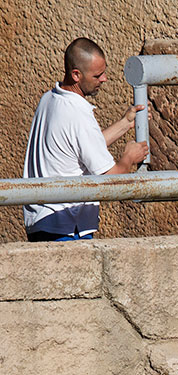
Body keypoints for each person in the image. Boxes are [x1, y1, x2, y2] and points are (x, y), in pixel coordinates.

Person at [22, 37, 148, 242]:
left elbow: (81, 147)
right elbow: (111, 180)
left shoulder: (50, 99)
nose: (104, 79)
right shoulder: (78, 113)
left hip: (43, 221)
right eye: (98, 75)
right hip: (66, 227)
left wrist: (125, 123)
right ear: (76, 75)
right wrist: (128, 159)